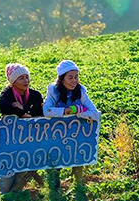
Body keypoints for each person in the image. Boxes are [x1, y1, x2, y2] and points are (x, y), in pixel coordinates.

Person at [43, 60, 100, 192]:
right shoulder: (53, 90)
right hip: (56, 134)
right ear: (61, 79)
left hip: (75, 134)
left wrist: (77, 112)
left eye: (76, 77)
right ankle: (54, 192)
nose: (74, 81)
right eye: (70, 77)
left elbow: (95, 114)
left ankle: (77, 189)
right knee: (55, 164)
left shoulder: (81, 90)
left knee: (77, 159)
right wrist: (68, 111)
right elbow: (47, 111)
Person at [0, 63, 44, 194]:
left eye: (27, 77)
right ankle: (4, 196)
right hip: (11, 139)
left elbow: (39, 112)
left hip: (30, 138)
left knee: (23, 168)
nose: (26, 81)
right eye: (21, 78)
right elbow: (5, 107)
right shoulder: (7, 94)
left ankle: (14, 195)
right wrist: (25, 114)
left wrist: (20, 110)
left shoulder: (35, 95)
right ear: (13, 81)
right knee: (8, 169)